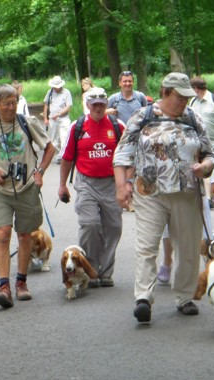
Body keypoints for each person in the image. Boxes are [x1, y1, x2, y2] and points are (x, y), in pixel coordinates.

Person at [113, 72, 214, 323]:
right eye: (180, 97)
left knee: (188, 247)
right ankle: (143, 298)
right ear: (166, 93)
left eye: (186, 97)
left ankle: (184, 297)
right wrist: (121, 186)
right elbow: (122, 154)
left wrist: (205, 167)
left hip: (186, 192)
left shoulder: (193, 117)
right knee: (147, 245)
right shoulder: (144, 116)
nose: (184, 101)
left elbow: (210, 154)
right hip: (150, 192)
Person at [0, 84, 55, 308]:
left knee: (25, 235)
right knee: (3, 234)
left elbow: (49, 148)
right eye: (6, 103)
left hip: (26, 187)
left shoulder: (27, 123)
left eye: (14, 102)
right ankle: (4, 286)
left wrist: (40, 172)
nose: (10, 107)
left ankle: (21, 283)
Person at [58, 87, 125, 287]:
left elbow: (128, 155)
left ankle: (105, 272)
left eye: (101, 105)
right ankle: (90, 269)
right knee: (91, 224)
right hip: (86, 183)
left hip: (111, 183)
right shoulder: (77, 127)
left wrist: (127, 183)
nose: (98, 108)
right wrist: (62, 185)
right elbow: (67, 157)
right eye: (94, 105)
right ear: (87, 105)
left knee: (113, 228)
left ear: (106, 105)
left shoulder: (117, 125)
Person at [157, 169, 214, 284]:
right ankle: (167, 260)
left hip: (194, 180)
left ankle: (210, 264)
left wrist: (213, 181)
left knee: (204, 220)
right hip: (168, 179)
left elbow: (207, 152)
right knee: (170, 220)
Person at [106, 71, 148, 212]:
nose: (127, 84)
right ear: (120, 83)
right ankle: (121, 195)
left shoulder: (140, 97)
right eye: (125, 81)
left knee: (134, 167)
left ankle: (131, 199)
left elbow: (147, 114)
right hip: (119, 137)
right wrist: (109, 111)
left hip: (138, 138)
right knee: (120, 167)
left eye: (130, 81)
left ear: (133, 82)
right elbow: (102, 113)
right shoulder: (114, 99)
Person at [189, 76, 214, 176]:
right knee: (201, 172)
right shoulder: (193, 101)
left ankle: (213, 190)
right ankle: (205, 191)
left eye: (191, 88)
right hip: (199, 144)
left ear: (196, 88)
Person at [43, 75, 73, 163]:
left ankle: (64, 156)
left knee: (64, 137)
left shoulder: (66, 92)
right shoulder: (50, 92)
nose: (56, 88)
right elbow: (46, 105)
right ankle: (60, 154)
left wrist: (59, 114)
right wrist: (45, 118)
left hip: (64, 118)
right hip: (52, 119)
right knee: (54, 139)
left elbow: (68, 107)